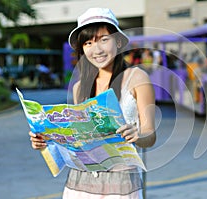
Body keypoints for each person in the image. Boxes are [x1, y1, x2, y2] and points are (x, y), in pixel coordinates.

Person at [29, 7, 156, 199]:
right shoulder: (79, 87)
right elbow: (76, 138)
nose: (96, 49)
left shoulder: (137, 78)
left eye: (104, 39)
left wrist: (137, 135)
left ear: (119, 41)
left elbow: (150, 136)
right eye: (88, 43)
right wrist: (46, 140)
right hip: (80, 182)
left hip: (121, 182)